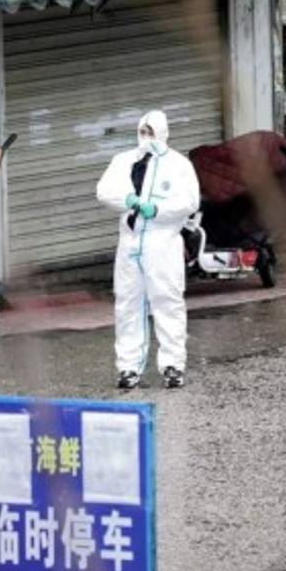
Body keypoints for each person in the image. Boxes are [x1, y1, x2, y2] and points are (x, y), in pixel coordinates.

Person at [96, 110, 201, 389]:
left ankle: (173, 365)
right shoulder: (124, 161)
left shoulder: (179, 165)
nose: (146, 138)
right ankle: (128, 368)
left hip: (162, 242)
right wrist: (128, 199)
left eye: (151, 132)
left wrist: (158, 210)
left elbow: (190, 201)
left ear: (163, 133)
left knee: (167, 303)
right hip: (130, 242)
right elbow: (104, 190)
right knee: (127, 305)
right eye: (143, 132)